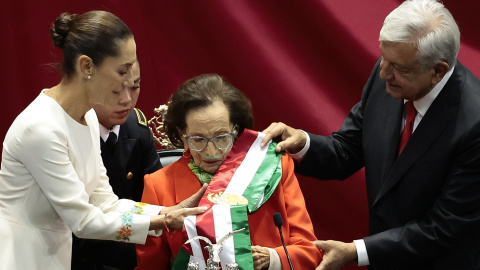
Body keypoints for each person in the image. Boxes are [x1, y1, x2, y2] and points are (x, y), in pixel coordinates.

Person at [262, 0, 480, 269]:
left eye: (398, 67)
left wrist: (356, 251)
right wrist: (299, 144)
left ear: (438, 71)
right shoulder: (389, 76)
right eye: (384, 58)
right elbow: (346, 151)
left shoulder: (474, 124)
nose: (383, 72)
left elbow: (443, 228)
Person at [0, 10, 206, 270]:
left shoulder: (87, 115)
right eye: (123, 70)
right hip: (22, 256)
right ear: (87, 66)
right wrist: (163, 222)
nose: (130, 78)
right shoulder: (40, 128)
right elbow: (84, 222)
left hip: (55, 254)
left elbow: (105, 202)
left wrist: (165, 212)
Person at [136, 74, 323, 270]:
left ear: (236, 130)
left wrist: (272, 258)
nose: (211, 151)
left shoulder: (275, 166)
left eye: (221, 137)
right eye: (198, 139)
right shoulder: (158, 185)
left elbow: (310, 251)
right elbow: (150, 265)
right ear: (182, 136)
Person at [71, 61, 162, 269]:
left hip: (133, 242)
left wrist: (168, 215)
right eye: (116, 90)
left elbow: (154, 191)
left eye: (134, 87)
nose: (127, 100)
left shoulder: (136, 127)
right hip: (82, 252)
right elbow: (82, 220)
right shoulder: (70, 132)